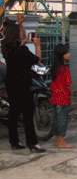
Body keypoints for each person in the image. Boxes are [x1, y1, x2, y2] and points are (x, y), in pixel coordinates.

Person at [2, 22, 45, 153]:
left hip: (11, 84)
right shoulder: (22, 50)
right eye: (20, 32)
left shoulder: (6, 49)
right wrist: (37, 46)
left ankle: (14, 141)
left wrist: (24, 42)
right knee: (27, 114)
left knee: (14, 113)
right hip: (23, 84)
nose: (23, 33)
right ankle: (32, 143)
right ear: (16, 34)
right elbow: (37, 59)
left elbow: (17, 53)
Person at [50, 43, 74, 149]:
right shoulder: (65, 69)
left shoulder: (54, 68)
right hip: (63, 98)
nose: (69, 54)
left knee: (56, 119)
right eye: (67, 52)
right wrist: (71, 93)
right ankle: (61, 141)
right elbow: (68, 84)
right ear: (62, 55)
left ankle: (57, 140)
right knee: (62, 120)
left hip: (55, 97)